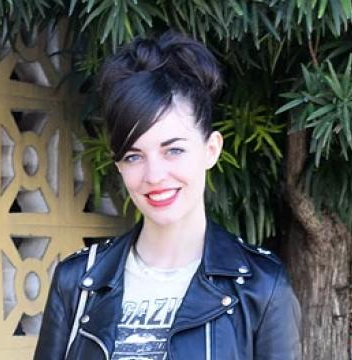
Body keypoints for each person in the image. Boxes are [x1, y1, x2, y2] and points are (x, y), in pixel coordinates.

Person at [34, 31, 301, 360]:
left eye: (173, 150)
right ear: (118, 165)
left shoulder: (262, 287)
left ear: (211, 149)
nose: (155, 176)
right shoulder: (77, 281)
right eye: (134, 156)